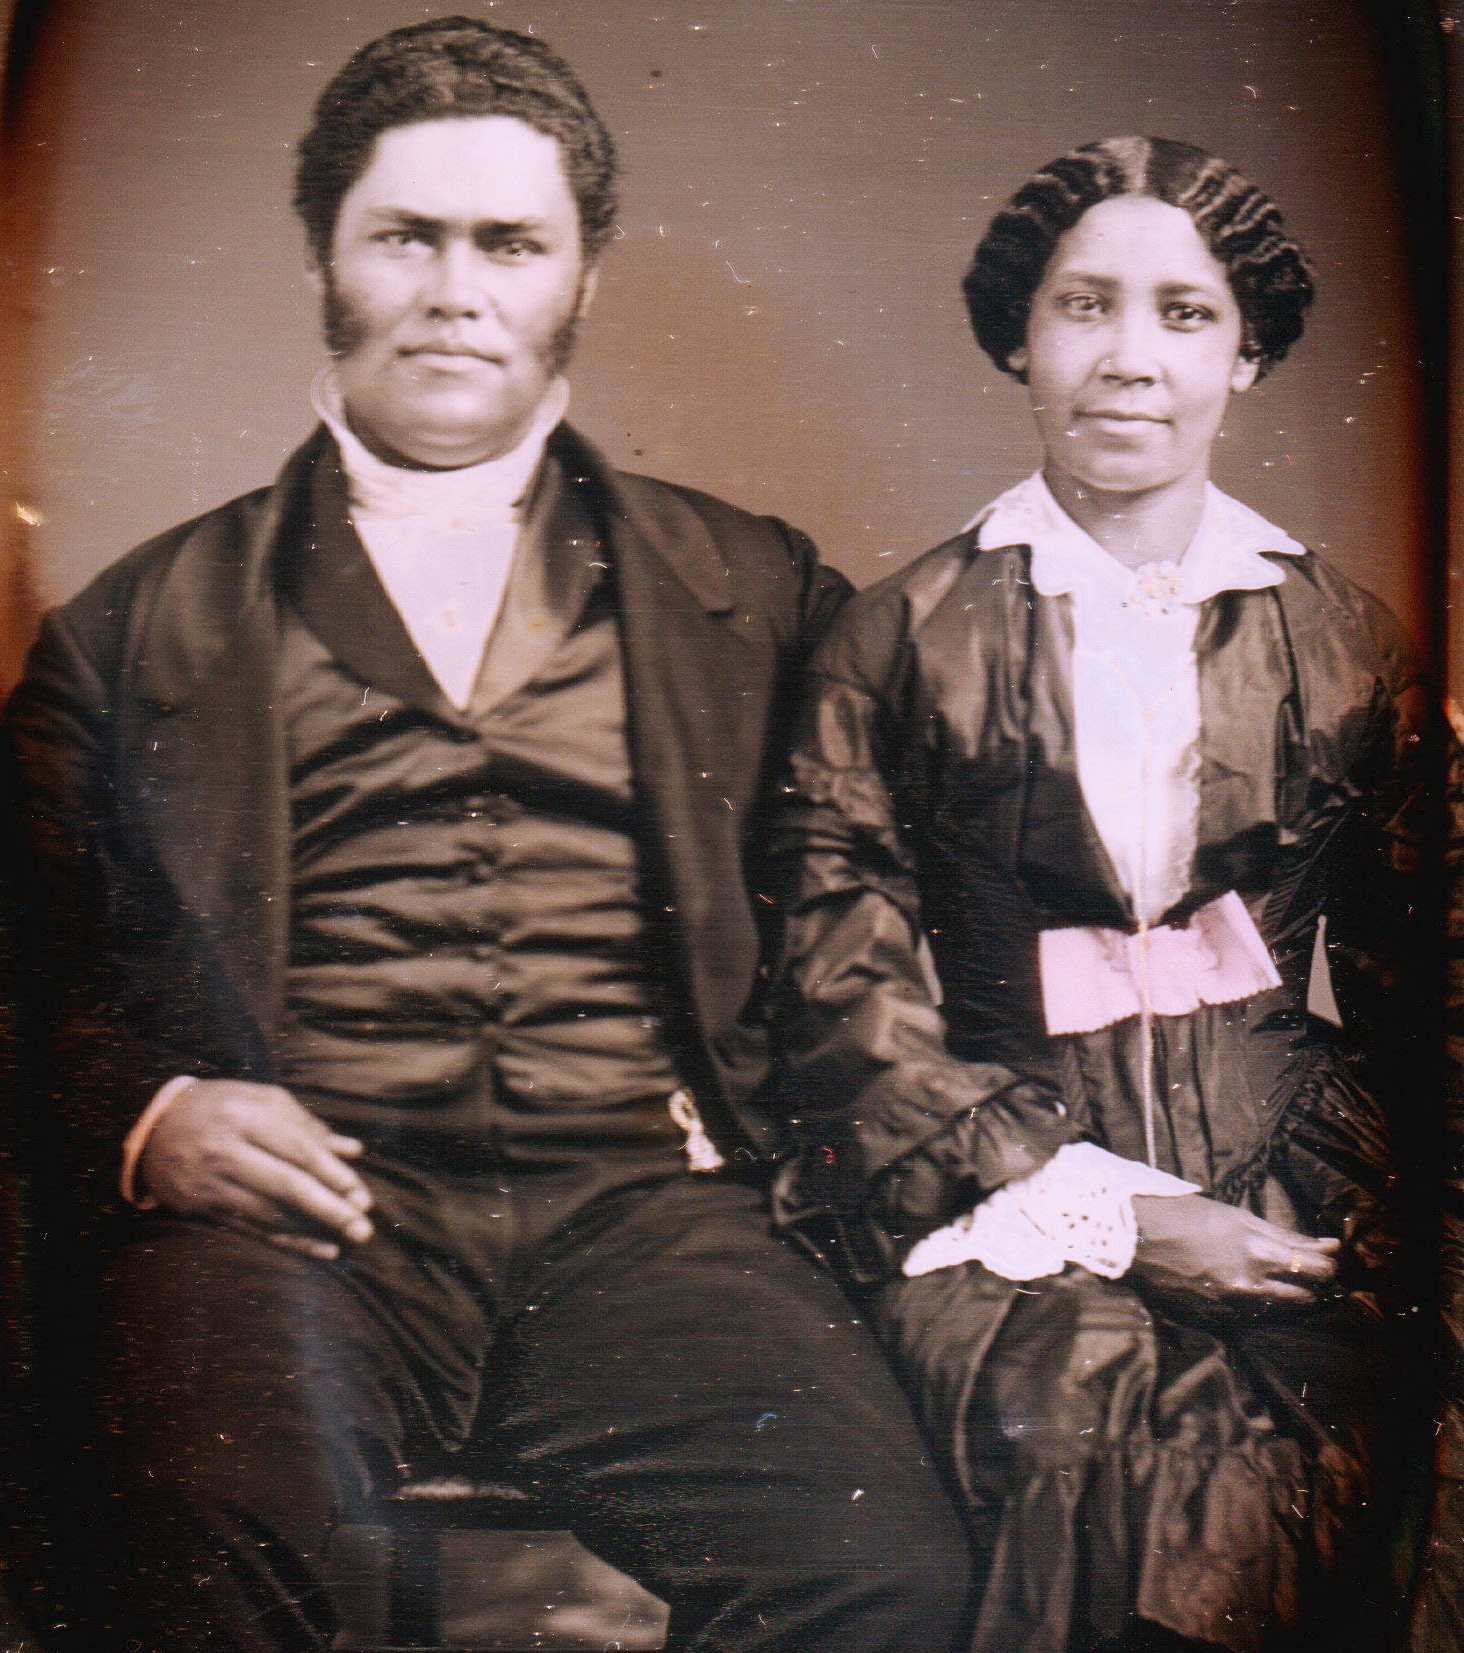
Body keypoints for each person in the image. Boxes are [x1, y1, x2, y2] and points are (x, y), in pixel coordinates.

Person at [0, 19, 975, 1652]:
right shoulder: (128, 630)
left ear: (581, 278)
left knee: (880, 1572)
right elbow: (29, 970)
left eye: (509, 244)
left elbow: (893, 893)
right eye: (407, 236)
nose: (456, 291)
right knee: (188, 1529)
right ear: (325, 258)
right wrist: (151, 1112)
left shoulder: (757, 589)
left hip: (650, 1209)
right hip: (304, 1228)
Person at [768, 135, 1458, 1652]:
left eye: (1186, 314)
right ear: (1020, 337)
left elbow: (1438, 982)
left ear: (1249, 355)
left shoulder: (1346, 640)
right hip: (1002, 1188)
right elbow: (841, 993)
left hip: (1305, 1160)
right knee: (1132, 1466)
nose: (1131, 359)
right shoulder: (898, 640)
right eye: (1085, 306)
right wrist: (1113, 1210)